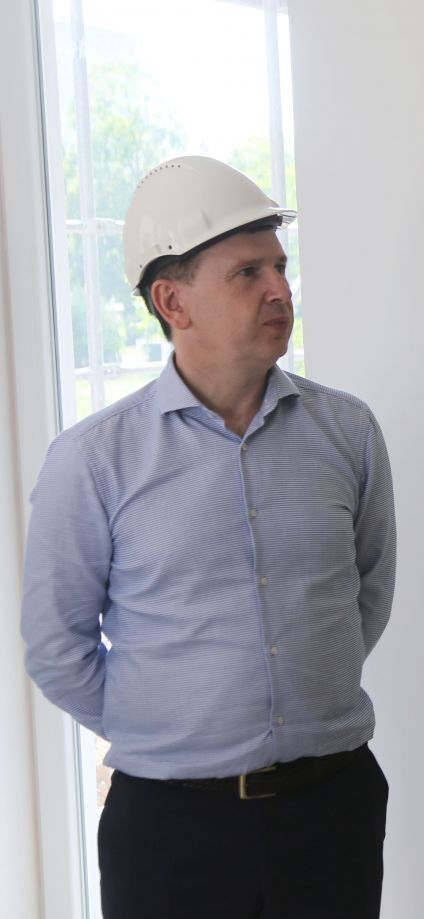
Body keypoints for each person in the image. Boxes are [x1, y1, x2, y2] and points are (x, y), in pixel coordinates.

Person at [21, 155, 396, 918]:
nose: (280, 289)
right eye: (248, 272)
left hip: (333, 809)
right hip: (171, 828)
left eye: (280, 267)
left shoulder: (347, 430)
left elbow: (367, 592)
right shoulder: (94, 461)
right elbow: (56, 646)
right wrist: (169, 726)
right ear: (172, 300)